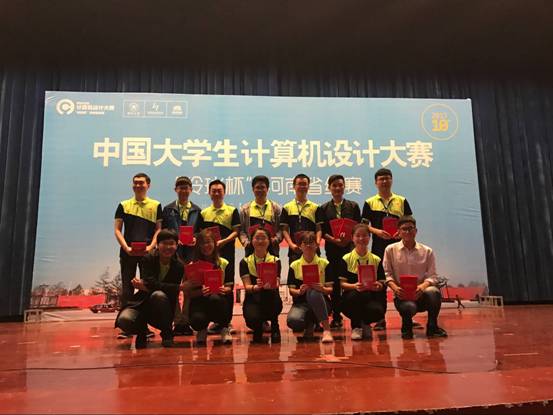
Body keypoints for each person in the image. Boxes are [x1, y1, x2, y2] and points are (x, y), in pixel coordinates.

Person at [361, 168, 413, 331]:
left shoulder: (401, 200)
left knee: (403, 279)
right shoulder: (370, 202)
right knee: (381, 281)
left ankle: (408, 317)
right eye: (381, 179)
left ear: (392, 180)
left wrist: (401, 232)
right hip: (379, 246)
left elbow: (410, 221)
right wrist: (377, 231)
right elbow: (364, 225)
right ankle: (380, 319)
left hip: (400, 245)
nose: (384, 181)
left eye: (387, 178)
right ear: (376, 182)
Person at [115, 229, 183, 349]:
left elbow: (170, 292)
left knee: (159, 295)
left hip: (164, 307)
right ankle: (141, 332)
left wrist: (146, 287)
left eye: (171, 243)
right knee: (124, 320)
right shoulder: (148, 259)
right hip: (142, 303)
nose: (168, 247)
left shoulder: (179, 266)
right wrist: (179, 287)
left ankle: (167, 333)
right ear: (157, 245)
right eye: (164, 243)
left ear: (177, 245)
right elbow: (152, 283)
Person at [383, 216, 448, 339]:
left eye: (411, 228)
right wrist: (395, 288)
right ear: (398, 232)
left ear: (416, 231)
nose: (408, 231)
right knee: (409, 307)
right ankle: (406, 327)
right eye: (404, 229)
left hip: (422, 294)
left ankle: (432, 327)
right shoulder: (390, 250)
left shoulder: (427, 251)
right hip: (402, 295)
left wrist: (422, 287)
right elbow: (387, 274)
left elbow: (433, 276)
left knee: (434, 292)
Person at [114, 173, 162, 338]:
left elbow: (158, 230)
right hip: (128, 252)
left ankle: (144, 326)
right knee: (127, 289)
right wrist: (126, 247)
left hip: (148, 253)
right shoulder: (123, 205)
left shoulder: (156, 205)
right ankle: (126, 327)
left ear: (148, 185)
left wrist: (151, 247)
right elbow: (117, 230)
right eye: (135, 183)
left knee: (147, 288)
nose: (138, 185)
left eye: (141, 183)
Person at [162, 176, 202, 337]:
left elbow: (200, 232)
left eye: (186, 188)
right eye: (180, 188)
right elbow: (163, 231)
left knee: (189, 288)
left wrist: (195, 238)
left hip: (191, 255)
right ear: (175, 190)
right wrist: (173, 238)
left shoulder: (197, 210)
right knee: (174, 288)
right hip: (173, 254)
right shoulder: (168, 209)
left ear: (191, 190)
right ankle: (177, 321)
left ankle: (185, 320)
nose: (183, 190)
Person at [199, 179, 240, 334]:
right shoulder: (204, 213)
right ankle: (215, 321)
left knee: (227, 287)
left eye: (219, 191)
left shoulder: (232, 210)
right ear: (209, 193)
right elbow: (201, 234)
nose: (216, 193)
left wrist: (223, 241)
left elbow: (236, 231)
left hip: (226, 252)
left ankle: (226, 322)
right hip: (209, 254)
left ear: (224, 192)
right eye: (213, 191)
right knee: (209, 286)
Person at [320, 174, 361, 328]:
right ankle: (336, 316)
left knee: (351, 282)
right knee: (336, 284)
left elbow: (358, 228)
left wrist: (349, 239)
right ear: (329, 188)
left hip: (350, 251)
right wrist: (334, 240)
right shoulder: (323, 208)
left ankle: (356, 317)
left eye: (340, 185)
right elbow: (322, 231)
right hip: (332, 251)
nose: (337, 188)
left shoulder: (353, 206)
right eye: (334, 185)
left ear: (344, 187)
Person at [184, 229, 235, 344]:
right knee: (197, 320)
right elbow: (188, 293)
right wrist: (201, 292)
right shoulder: (192, 266)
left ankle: (224, 328)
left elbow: (229, 287)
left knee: (216, 298)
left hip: (218, 299)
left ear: (214, 243)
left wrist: (223, 289)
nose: (206, 246)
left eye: (208, 242)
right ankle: (202, 329)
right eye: (202, 243)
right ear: (198, 246)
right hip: (199, 301)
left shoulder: (224, 263)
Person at [339, 224, 385, 341]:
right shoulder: (346, 258)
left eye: (364, 235)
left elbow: (382, 282)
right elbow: (342, 284)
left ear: (369, 238)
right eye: (358, 236)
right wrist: (354, 286)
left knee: (378, 310)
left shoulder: (376, 259)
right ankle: (356, 327)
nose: (361, 238)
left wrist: (378, 286)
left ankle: (365, 323)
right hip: (352, 297)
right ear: (352, 238)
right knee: (356, 295)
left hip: (371, 296)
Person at [286, 231, 334, 343]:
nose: (308, 245)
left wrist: (322, 289)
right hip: (301, 303)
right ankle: (310, 324)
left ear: (316, 245)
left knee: (314, 292)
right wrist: (299, 291)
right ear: (300, 246)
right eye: (305, 243)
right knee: (294, 321)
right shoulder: (294, 265)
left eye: (311, 242)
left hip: (322, 302)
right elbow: (292, 290)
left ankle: (326, 330)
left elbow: (330, 289)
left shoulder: (324, 263)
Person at [239, 227, 283, 343]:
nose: (260, 241)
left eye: (263, 238)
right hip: (253, 297)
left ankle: (275, 326)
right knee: (251, 318)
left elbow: (277, 282)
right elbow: (247, 287)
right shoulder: (245, 262)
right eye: (257, 238)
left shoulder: (275, 260)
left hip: (271, 296)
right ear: (251, 241)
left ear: (269, 241)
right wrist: (255, 287)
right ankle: (258, 328)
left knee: (272, 296)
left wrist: (273, 284)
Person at [280, 174, 324, 264]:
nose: (302, 187)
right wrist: (291, 245)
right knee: (295, 272)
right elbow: (285, 229)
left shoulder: (315, 207)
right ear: (294, 186)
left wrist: (317, 243)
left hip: (312, 249)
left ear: (308, 186)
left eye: (304, 184)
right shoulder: (287, 207)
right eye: (299, 184)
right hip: (295, 250)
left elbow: (319, 228)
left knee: (314, 272)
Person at [239, 175, 283, 257]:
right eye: (257, 187)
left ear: (267, 189)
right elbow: (241, 230)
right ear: (253, 189)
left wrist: (276, 239)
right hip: (251, 249)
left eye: (263, 187)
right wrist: (246, 242)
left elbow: (281, 229)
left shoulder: (276, 208)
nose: (260, 190)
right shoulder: (245, 209)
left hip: (272, 249)